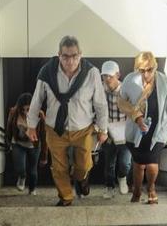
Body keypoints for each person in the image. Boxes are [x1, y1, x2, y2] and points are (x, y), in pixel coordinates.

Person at [26, 36, 108, 206]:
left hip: (83, 128)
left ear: (81, 55)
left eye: (74, 56)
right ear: (58, 55)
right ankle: (66, 197)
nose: (70, 61)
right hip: (54, 128)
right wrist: (31, 126)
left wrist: (103, 129)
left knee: (84, 165)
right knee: (59, 167)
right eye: (65, 56)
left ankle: (81, 178)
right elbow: (36, 100)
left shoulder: (91, 73)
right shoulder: (47, 72)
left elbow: (100, 103)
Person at [118, 51, 167, 205]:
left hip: (157, 130)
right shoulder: (130, 80)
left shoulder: (164, 81)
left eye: (149, 69)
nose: (146, 74)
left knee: (152, 162)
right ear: (137, 69)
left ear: (155, 67)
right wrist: (136, 116)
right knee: (138, 164)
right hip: (136, 129)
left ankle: (151, 188)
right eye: (142, 70)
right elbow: (121, 102)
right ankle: (137, 190)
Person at [100, 60, 132, 198]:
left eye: (110, 76)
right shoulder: (100, 90)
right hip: (108, 132)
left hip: (125, 132)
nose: (107, 79)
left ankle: (122, 178)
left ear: (118, 75)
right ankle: (109, 187)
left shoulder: (127, 90)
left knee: (125, 163)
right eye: (104, 76)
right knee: (109, 163)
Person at [6, 92, 48, 195]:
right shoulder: (14, 112)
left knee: (33, 169)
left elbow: (44, 135)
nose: (25, 112)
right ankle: (22, 176)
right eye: (23, 109)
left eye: (28, 109)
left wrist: (44, 156)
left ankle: (32, 189)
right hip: (18, 143)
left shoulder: (39, 114)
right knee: (20, 167)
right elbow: (9, 129)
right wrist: (8, 142)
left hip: (33, 145)